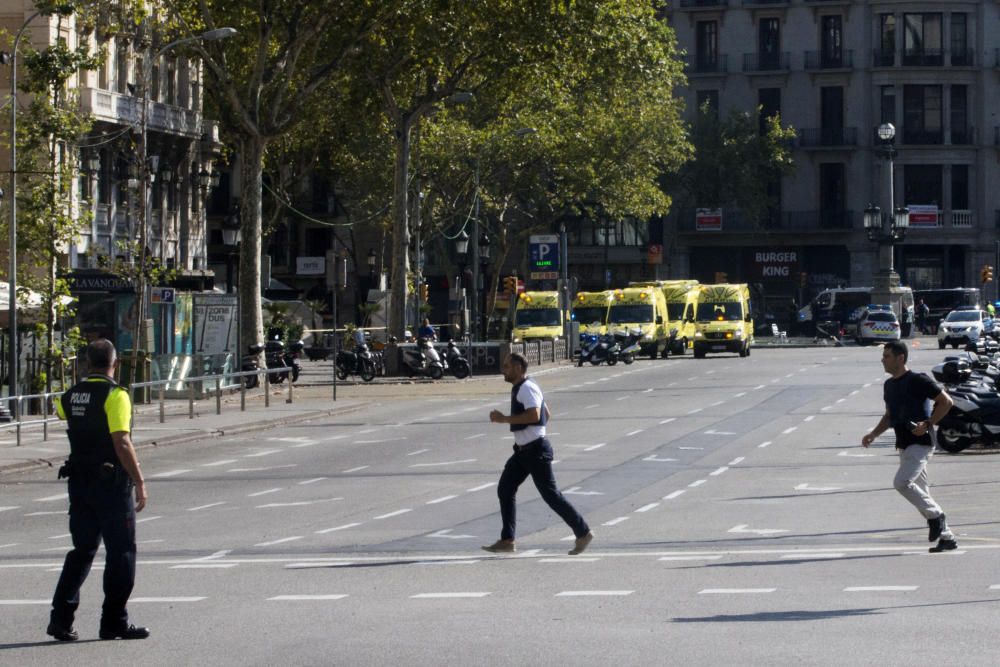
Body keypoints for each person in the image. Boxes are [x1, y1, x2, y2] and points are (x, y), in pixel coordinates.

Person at [47, 340, 150, 642]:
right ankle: (114, 622)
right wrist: (140, 480)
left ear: (86, 363)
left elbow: (62, 414)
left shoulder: (69, 395)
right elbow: (121, 441)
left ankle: (61, 620)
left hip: (79, 484)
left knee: (82, 551)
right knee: (122, 553)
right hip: (112, 485)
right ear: (114, 364)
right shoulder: (116, 395)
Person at [483, 352, 594, 555]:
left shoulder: (526, 388)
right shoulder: (524, 387)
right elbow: (546, 413)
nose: (504, 370)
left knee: (551, 495)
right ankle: (507, 540)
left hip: (535, 451)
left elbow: (535, 414)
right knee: (505, 489)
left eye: (507, 366)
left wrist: (505, 419)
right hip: (523, 452)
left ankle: (583, 532)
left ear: (518, 368)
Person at [861, 341, 957, 553]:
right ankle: (947, 537)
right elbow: (889, 416)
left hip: (921, 442)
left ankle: (937, 516)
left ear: (900, 358)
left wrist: (929, 423)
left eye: (887, 356)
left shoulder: (918, 380)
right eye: (883, 356)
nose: (882, 360)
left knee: (902, 483)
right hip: (904, 443)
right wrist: (873, 434)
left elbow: (946, 402)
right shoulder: (889, 385)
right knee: (921, 492)